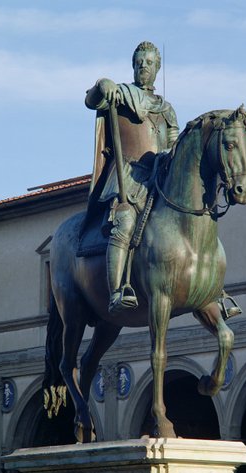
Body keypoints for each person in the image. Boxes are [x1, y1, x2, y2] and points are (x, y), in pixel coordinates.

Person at [85, 41, 179, 313]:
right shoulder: (121, 94)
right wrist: (103, 84)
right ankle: (116, 291)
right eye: (139, 63)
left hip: (159, 177)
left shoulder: (166, 109)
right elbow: (90, 101)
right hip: (128, 176)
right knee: (125, 223)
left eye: (149, 63)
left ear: (157, 68)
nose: (143, 68)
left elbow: (172, 145)